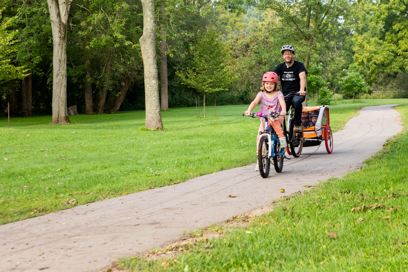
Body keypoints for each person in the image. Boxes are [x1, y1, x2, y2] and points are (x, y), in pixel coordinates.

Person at [245, 72, 287, 171]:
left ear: (275, 85)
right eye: (267, 83)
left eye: (271, 84)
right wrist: (249, 110)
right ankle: (260, 160)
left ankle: (282, 142)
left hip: (276, 117)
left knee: (278, 129)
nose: (269, 86)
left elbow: (282, 102)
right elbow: (255, 102)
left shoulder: (278, 94)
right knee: (260, 137)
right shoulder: (261, 94)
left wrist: (283, 110)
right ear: (263, 84)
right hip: (264, 119)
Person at [274, 45, 307, 133]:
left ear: (292, 55)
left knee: (296, 102)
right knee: (281, 110)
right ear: (283, 56)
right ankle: (280, 129)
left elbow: (302, 77)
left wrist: (302, 90)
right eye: (285, 54)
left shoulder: (299, 65)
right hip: (285, 94)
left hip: (298, 93)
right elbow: (273, 77)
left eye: (289, 54)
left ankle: (297, 124)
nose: (287, 56)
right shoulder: (280, 67)